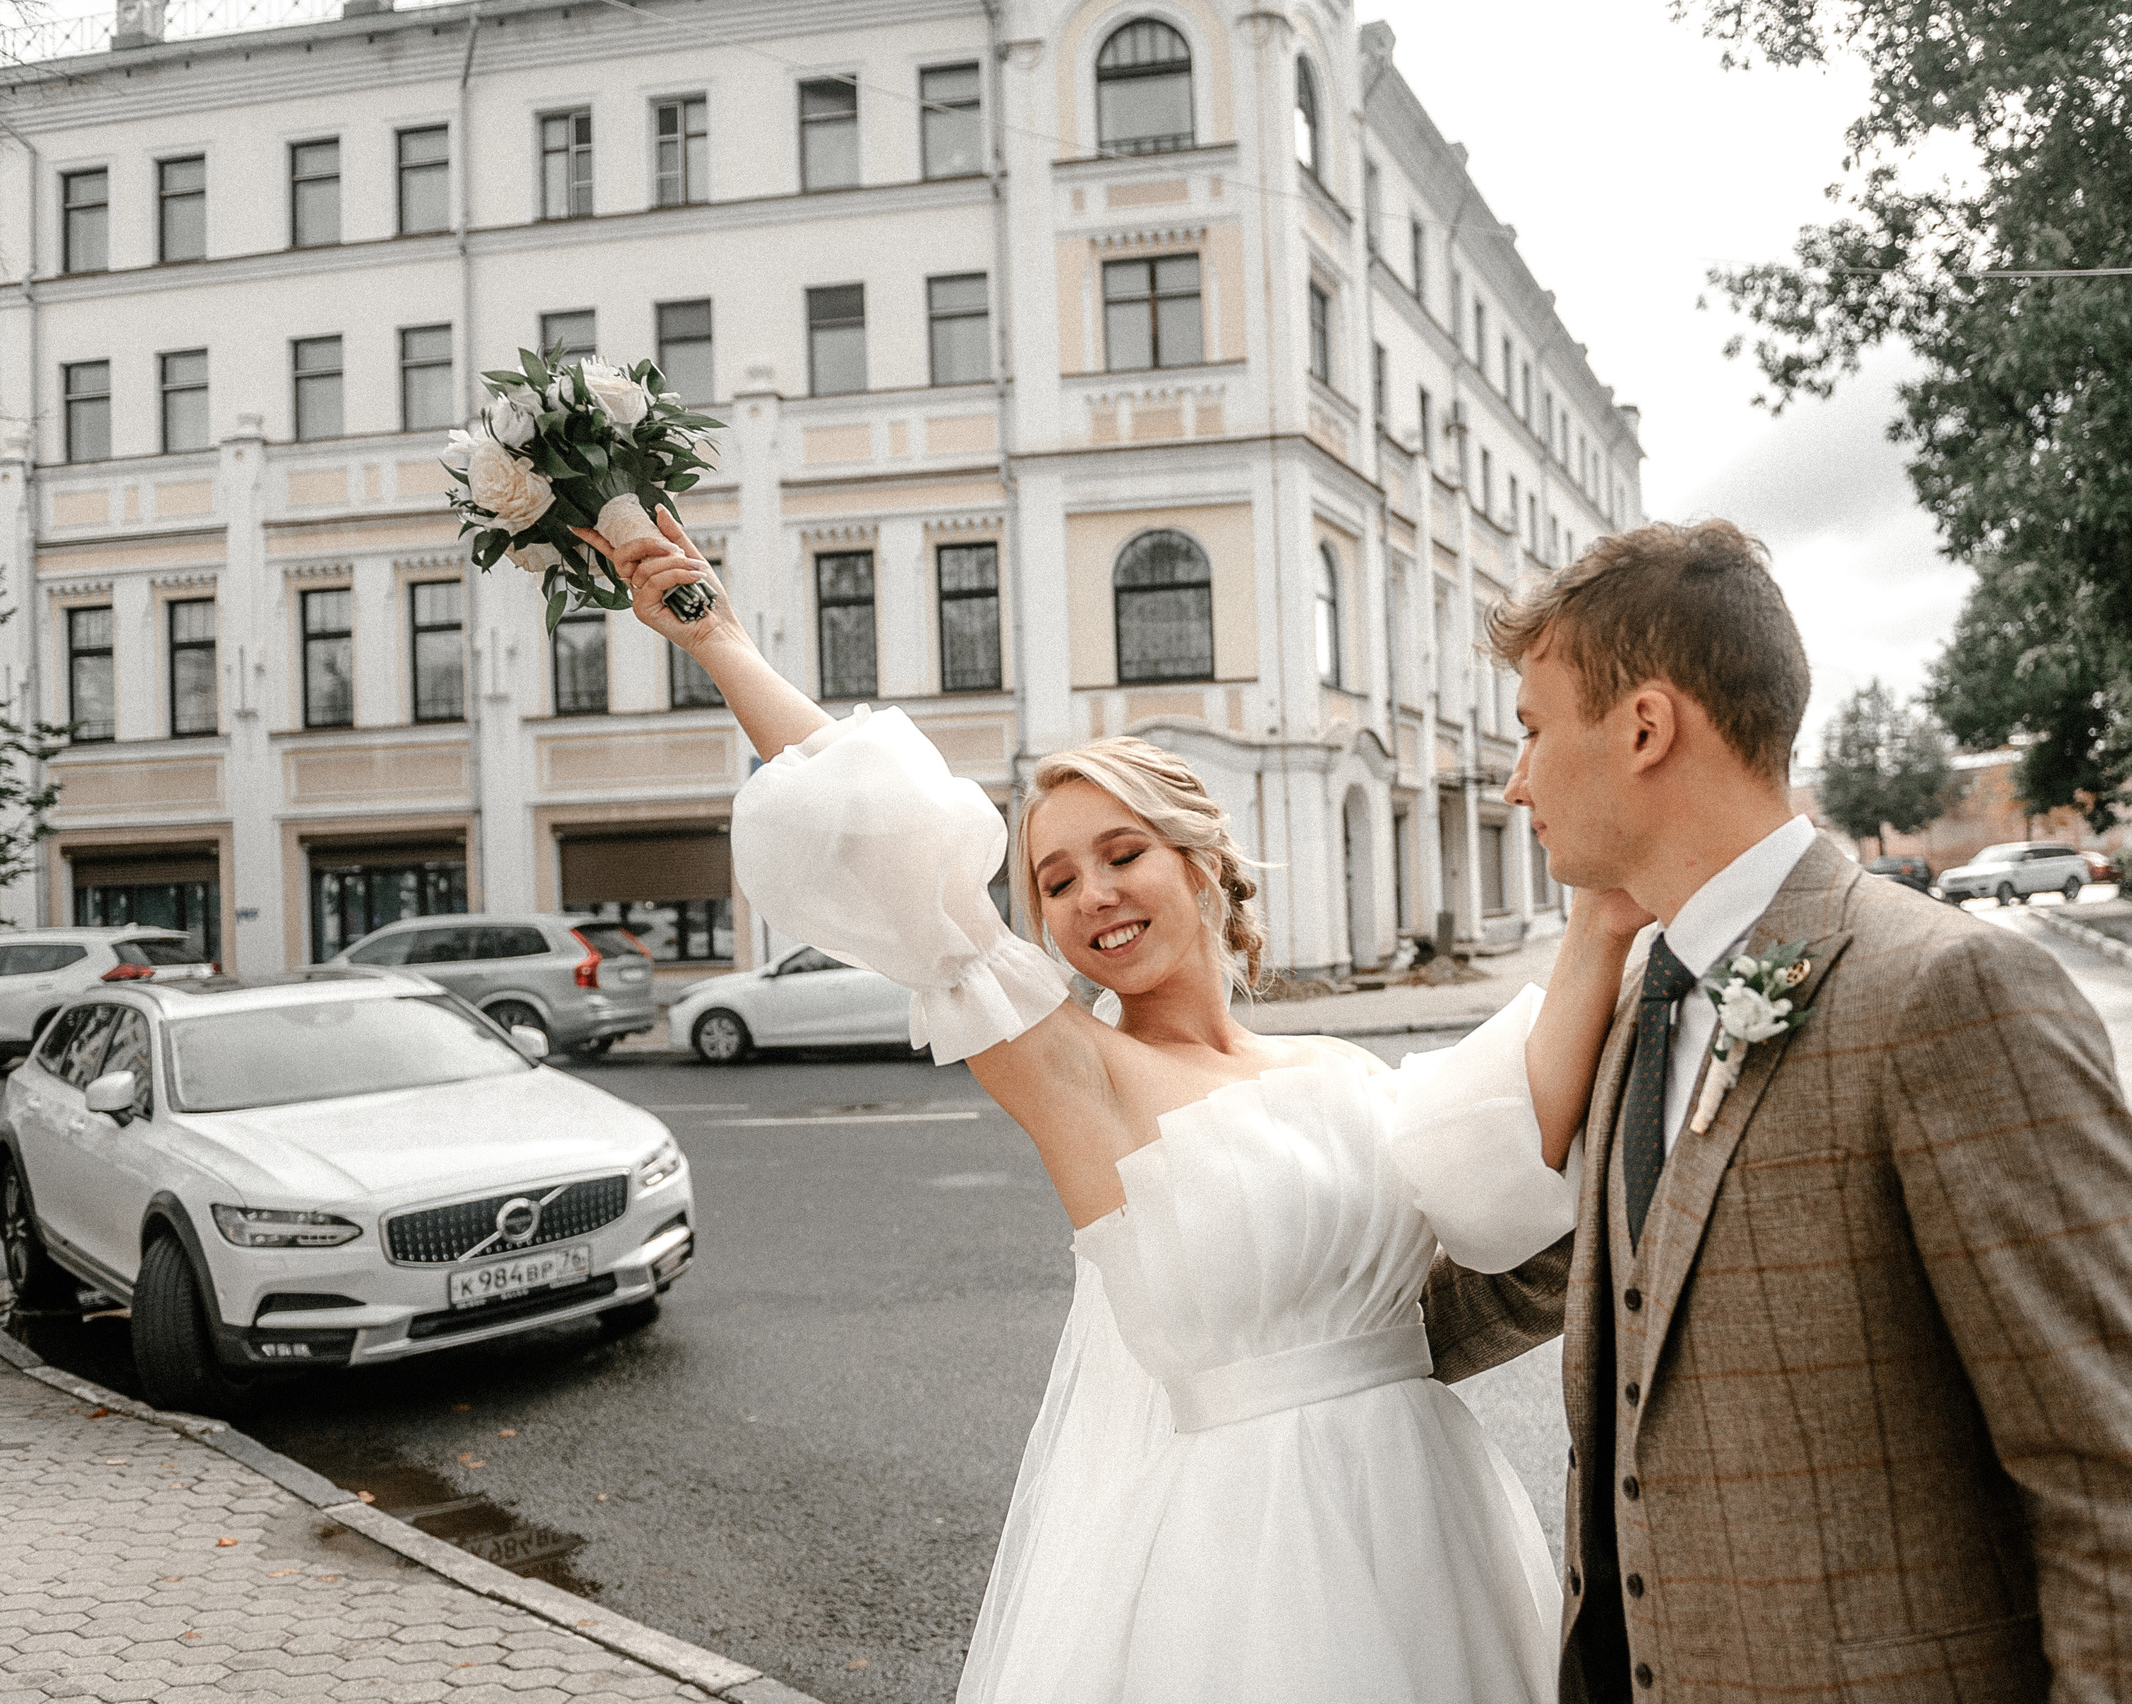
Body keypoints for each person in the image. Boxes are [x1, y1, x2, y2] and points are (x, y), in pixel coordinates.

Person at [584, 510, 1647, 1704]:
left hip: (1433, 1521)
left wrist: (1612, 912)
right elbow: (885, 837)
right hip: (1247, 1562)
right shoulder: (1073, 1073)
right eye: (1053, 879)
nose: (1091, 894)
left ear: (1201, 864)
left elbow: (1514, 1140)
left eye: (1122, 852)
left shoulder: (1350, 1078)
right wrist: (720, 636)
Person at [1421, 521, 2132, 1703]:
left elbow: (2119, 1489)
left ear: (1645, 727)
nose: (1517, 780)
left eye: (1533, 730)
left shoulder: (1946, 993)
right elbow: (1574, 1272)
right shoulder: (1640, 1004)